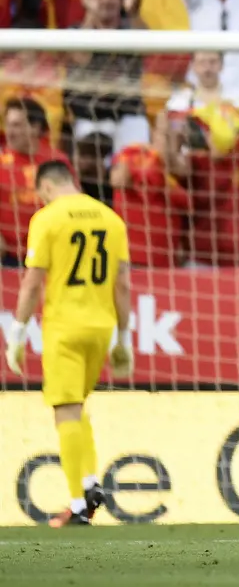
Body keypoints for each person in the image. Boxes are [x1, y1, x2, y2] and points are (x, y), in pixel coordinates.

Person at [4, 161, 133, 527]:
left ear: (45, 187)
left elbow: (31, 283)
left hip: (63, 327)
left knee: (65, 410)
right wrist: (123, 336)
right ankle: (91, 482)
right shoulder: (112, 219)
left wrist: (16, 331)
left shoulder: (47, 219)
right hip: (100, 327)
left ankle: (78, 504)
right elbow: (122, 285)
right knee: (78, 408)